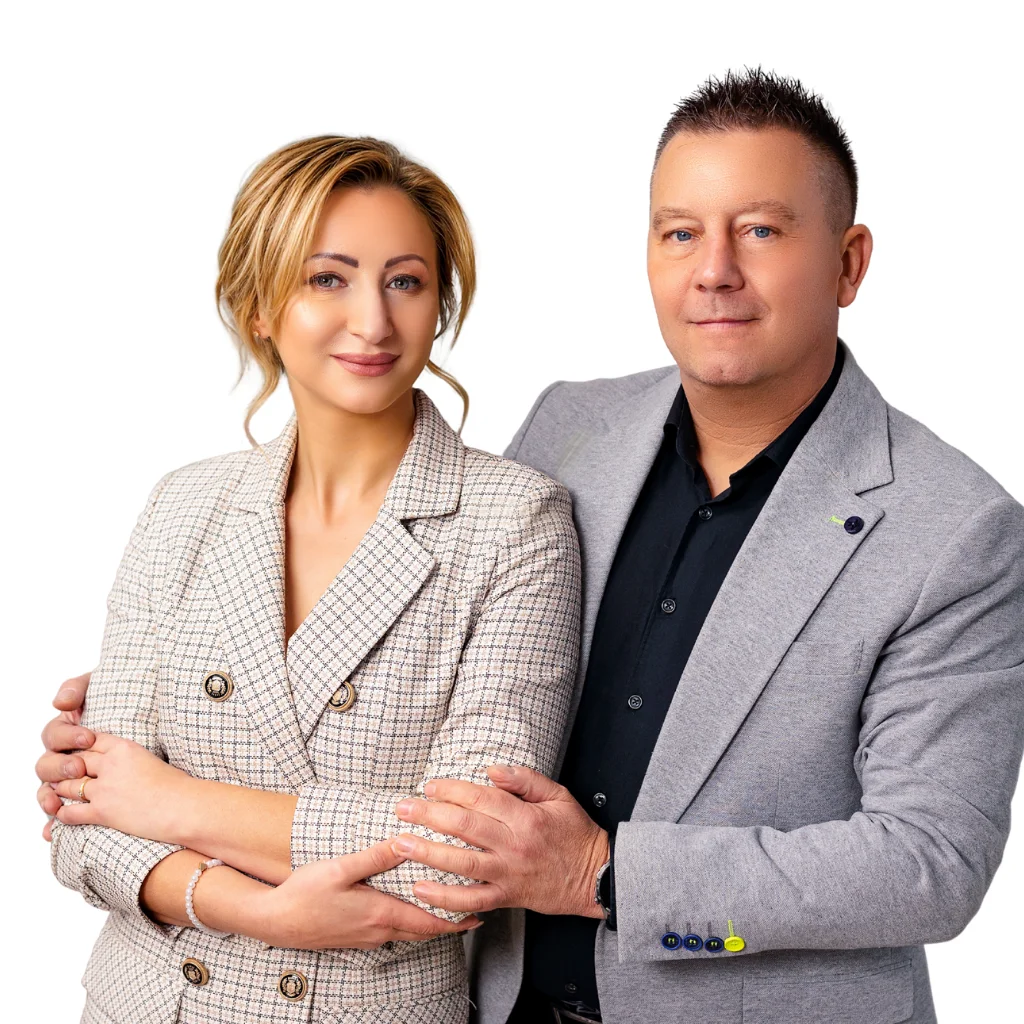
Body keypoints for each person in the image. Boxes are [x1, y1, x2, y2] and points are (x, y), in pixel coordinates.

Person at [38, 70, 1024, 1024]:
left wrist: (601, 874)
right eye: (679, 231)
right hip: (496, 1001)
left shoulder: (954, 530)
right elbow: (433, 629)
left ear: (849, 262)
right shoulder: (573, 428)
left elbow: (929, 864)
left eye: (761, 230)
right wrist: (170, 700)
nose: (714, 268)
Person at [35, 134, 581, 1024]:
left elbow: (470, 856)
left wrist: (171, 801)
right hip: (148, 1002)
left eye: (405, 282)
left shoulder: (515, 520)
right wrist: (254, 909)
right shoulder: (185, 504)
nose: (373, 321)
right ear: (258, 305)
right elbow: (83, 825)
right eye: (328, 279)